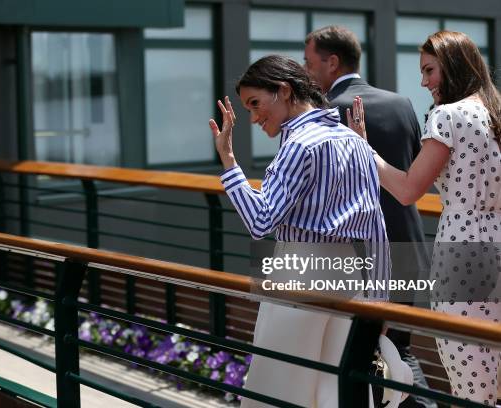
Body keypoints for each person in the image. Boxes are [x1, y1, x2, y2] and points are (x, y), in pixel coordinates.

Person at [208, 54, 390, 407]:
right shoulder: (354, 141)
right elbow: (375, 225)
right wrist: (381, 300)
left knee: (279, 382)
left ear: (284, 90)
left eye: (256, 104)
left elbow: (260, 222)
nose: (254, 117)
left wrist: (229, 163)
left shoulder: (297, 146)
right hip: (349, 274)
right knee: (335, 388)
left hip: (299, 271)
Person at [349, 30, 501, 405]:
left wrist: (364, 149)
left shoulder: (447, 116)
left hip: (463, 254)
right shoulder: (494, 113)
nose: (423, 81)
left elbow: (406, 190)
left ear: (451, 67)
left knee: (471, 382)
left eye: (430, 70)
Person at [304, 25, 435, 408]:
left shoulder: (322, 113)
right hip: (409, 248)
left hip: (358, 257)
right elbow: (412, 177)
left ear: (332, 62)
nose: (306, 72)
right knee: (395, 350)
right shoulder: (401, 103)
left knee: (359, 358)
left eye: (310, 64)